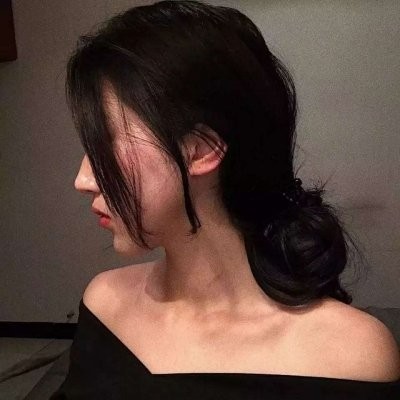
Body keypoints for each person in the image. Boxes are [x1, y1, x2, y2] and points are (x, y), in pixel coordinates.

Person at [50, 0, 400, 398]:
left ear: (200, 150)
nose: (82, 179)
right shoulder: (105, 304)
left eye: (104, 148)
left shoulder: (348, 356)